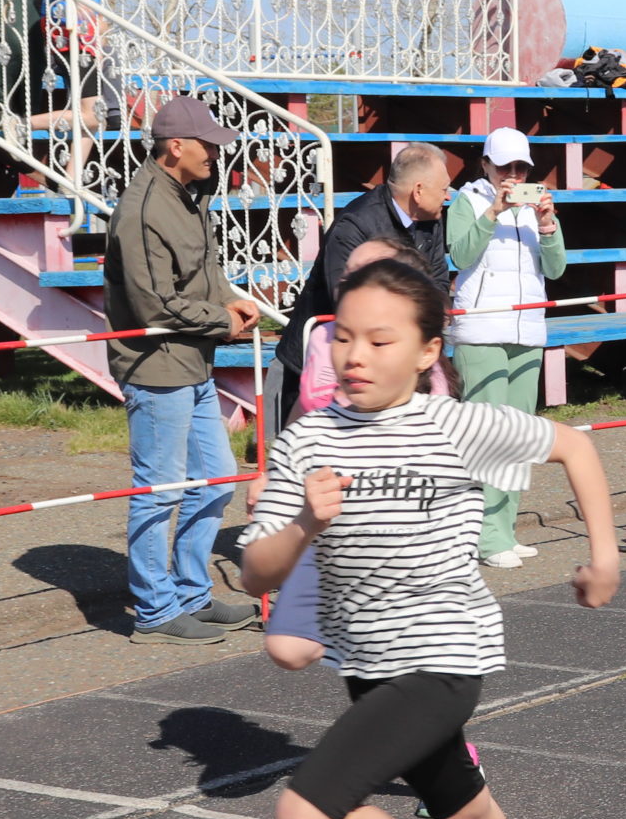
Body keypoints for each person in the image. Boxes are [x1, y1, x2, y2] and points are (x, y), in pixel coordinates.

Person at [239, 255, 620, 819]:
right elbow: (255, 572)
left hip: (448, 655)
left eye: (380, 341)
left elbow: (574, 446)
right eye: (343, 337)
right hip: (368, 667)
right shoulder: (308, 440)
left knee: (307, 818)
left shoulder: (455, 425)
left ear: (425, 350)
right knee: (469, 813)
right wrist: (307, 524)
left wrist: (604, 554)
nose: (355, 356)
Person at [104, 97, 267, 645]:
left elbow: (206, 270)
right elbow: (155, 305)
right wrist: (221, 319)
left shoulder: (190, 195)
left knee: (217, 481)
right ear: (176, 146)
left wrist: (232, 300)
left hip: (194, 361)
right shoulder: (143, 209)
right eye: (208, 144)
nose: (217, 154)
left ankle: (191, 593)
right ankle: (154, 610)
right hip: (157, 368)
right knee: (159, 490)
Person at [261, 239, 453, 674]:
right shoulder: (323, 336)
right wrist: (277, 470)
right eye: (346, 274)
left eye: (363, 273)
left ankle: (436, 732)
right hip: (326, 503)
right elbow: (306, 407)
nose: (348, 281)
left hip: (392, 511)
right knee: (291, 647)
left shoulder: (421, 363)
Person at [447, 126, 566, 568]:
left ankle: (505, 529)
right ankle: (483, 537)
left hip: (528, 329)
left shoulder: (537, 207)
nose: (513, 176)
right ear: (485, 165)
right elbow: (458, 255)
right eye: (504, 167)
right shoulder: (468, 202)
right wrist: (493, 212)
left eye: (522, 168)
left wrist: (548, 224)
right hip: (479, 330)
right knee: (487, 439)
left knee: (519, 438)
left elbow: (556, 269)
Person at [275, 143, 453, 418]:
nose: (448, 196)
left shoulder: (431, 218)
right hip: (324, 364)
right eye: (443, 189)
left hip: (391, 359)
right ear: (418, 191)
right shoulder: (355, 225)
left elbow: (438, 281)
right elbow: (346, 300)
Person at [44, 0, 125, 185]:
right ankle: (22, 124)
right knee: (91, 114)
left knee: (94, 119)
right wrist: (72, 6)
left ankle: (72, 181)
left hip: (86, 45)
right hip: (74, 44)